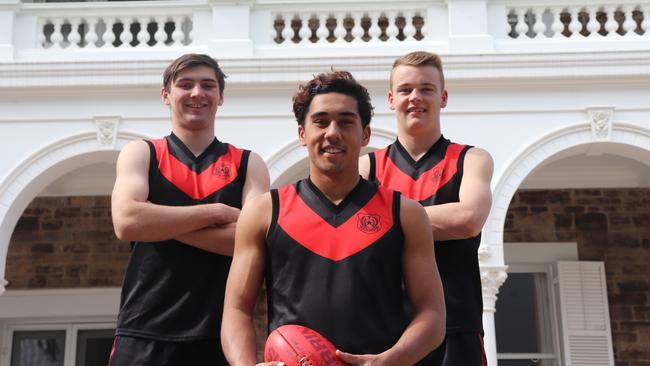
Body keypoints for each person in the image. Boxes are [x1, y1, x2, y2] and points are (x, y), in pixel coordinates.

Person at [221, 71, 445, 366]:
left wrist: (392, 360)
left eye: (346, 121)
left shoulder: (404, 213)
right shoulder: (265, 211)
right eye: (320, 121)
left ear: (365, 133)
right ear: (302, 134)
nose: (332, 132)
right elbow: (236, 310)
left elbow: (432, 314)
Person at [109, 53, 270, 366]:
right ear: (166, 96)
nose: (198, 93)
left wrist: (159, 225)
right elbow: (127, 222)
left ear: (220, 96)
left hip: (219, 336)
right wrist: (217, 213)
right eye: (186, 85)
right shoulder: (142, 152)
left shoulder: (247, 163)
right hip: (143, 332)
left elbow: (254, 242)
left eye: (208, 85)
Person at [359, 51, 494, 365]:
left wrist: (381, 220)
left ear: (443, 98)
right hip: (386, 331)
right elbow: (352, 233)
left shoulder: (471, 159)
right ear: (391, 99)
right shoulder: (367, 168)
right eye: (406, 90)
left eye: (426, 89)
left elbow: (468, 219)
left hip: (457, 328)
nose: (415, 97)